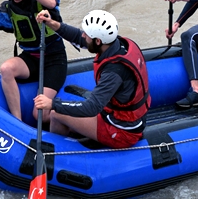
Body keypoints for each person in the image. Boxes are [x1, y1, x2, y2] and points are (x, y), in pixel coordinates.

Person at [33, 10, 150, 149]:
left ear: (98, 41)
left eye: (86, 34)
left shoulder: (114, 71)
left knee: (55, 114)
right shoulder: (115, 44)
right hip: (117, 115)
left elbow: (92, 108)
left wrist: (53, 104)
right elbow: (78, 37)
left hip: (122, 131)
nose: (83, 35)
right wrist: (52, 23)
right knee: (64, 111)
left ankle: (56, 154)